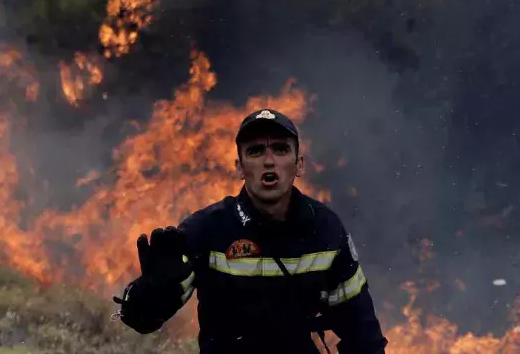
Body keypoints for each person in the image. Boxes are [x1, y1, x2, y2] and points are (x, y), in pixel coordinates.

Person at [112, 108, 388, 354]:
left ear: (299, 164)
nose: (269, 161)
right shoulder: (208, 230)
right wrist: (150, 293)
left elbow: (361, 332)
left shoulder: (326, 231)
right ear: (239, 167)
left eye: (280, 149)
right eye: (255, 151)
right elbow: (143, 319)